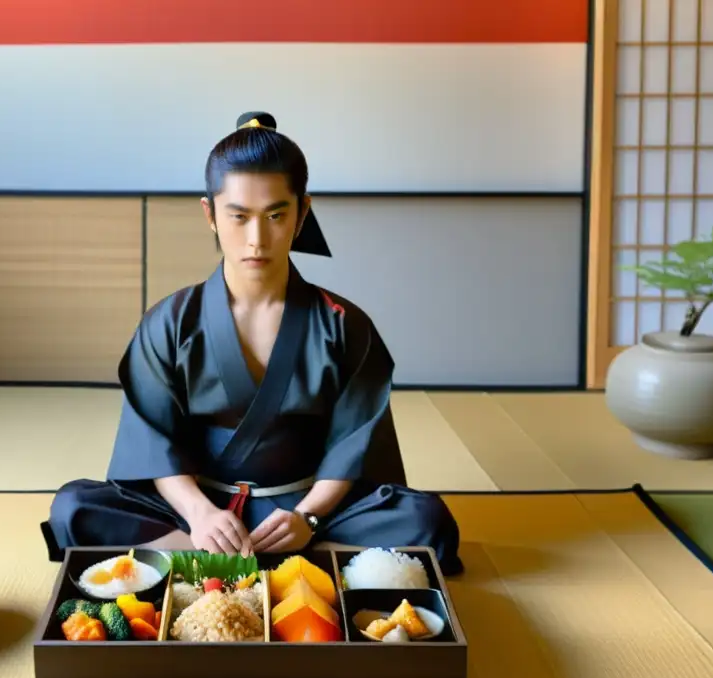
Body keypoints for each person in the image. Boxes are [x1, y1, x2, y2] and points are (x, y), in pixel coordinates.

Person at [42, 112, 463, 576]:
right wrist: (200, 514)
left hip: (307, 511)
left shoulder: (343, 324)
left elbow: (353, 443)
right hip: (197, 509)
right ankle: (246, 559)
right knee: (74, 508)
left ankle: (202, 564)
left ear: (302, 213)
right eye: (238, 217)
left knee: (427, 520)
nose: (257, 239)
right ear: (210, 214)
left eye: (276, 215)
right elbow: (153, 441)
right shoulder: (170, 322)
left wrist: (309, 515)